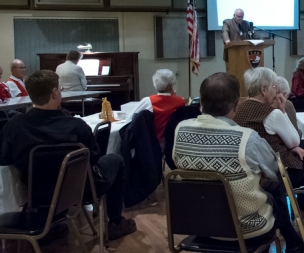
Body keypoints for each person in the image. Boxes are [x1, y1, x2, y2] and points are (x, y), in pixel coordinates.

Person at [173, 72, 304, 253]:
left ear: (201, 103)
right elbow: (274, 171)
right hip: (245, 230)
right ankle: (288, 247)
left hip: (198, 226)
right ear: (235, 104)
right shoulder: (247, 139)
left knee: (261, 191)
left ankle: (282, 252)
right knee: (273, 190)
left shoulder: (180, 131)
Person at [0, 70, 136, 240]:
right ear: (55, 93)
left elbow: (5, 157)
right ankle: (115, 223)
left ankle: (46, 224)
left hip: (37, 192)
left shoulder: (14, 126)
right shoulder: (76, 125)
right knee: (116, 160)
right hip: (79, 191)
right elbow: (94, 157)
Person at [235, 67, 304, 226]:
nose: (276, 91)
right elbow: (295, 141)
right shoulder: (272, 114)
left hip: (251, 172)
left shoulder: (239, 109)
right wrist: (282, 111)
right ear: (263, 90)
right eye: (273, 87)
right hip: (276, 174)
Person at [132, 69, 186, 148]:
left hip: (152, 144)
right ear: (171, 86)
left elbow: (132, 119)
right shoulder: (181, 101)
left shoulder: (148, 101)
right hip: (174, 144)